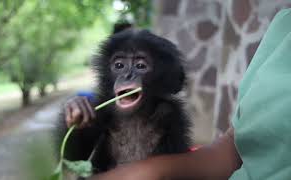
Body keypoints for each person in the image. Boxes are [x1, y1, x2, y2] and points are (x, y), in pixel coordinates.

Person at [90, 8, 291, 180]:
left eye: (141, 65)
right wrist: (156, 170)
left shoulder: (167, 115)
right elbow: (233, 147)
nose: (128, 75)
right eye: (119, 65)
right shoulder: (283, 27)